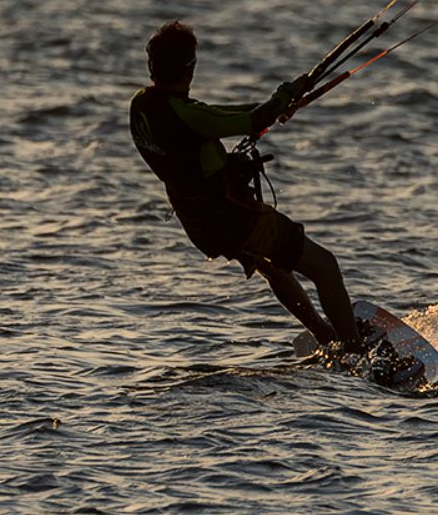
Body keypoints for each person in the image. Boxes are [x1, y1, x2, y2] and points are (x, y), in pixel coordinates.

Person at [129, 20, 363, 354]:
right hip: (232, 218)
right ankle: (357, 354)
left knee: (273, 268)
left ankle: (327, 337)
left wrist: (274, 107)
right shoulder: (189, 116)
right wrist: (282, 97)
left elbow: (214, 116)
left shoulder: (142, 105)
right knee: (325, 266)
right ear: (189, 69)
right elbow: (240, 121)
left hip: (198, 223)